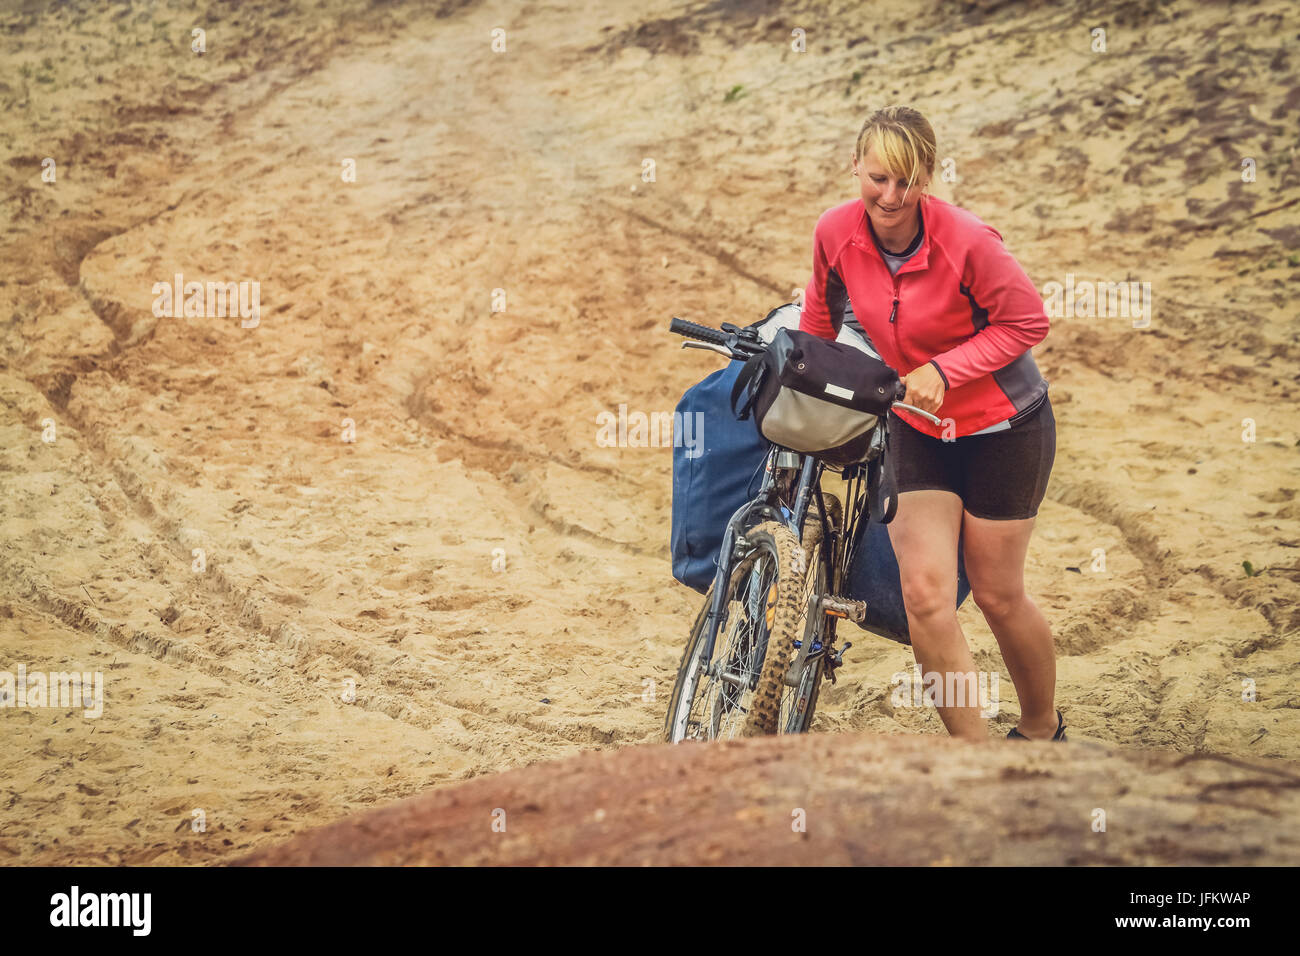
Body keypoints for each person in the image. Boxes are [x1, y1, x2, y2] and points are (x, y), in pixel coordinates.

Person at [799, 106, 1065, 742]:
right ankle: (974, 758)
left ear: (928, 178)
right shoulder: (836, 232)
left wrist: (946, 370)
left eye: (907, 182)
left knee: (1000, 596)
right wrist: (807, 383)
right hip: (917, 430)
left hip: (1006, 429)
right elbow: (819, 320)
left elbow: (1027, 323)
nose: (890, 197)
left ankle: (1039, 728)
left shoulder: (968, 241)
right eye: (877, 178)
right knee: (924, 597)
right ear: (856, 169)